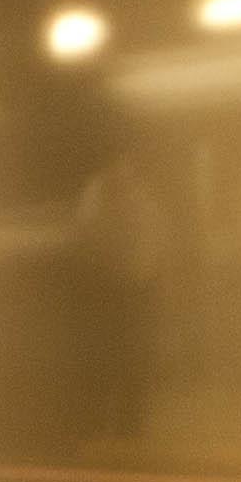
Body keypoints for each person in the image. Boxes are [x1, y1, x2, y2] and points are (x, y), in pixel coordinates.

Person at [71, 149, 171, 443]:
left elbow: (92, 244)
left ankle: (117, 424)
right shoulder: (106, 201)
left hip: (121, 293)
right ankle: (117, 424)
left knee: (120, 363)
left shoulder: (104, 202)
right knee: (117, 362)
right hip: (120, 293)